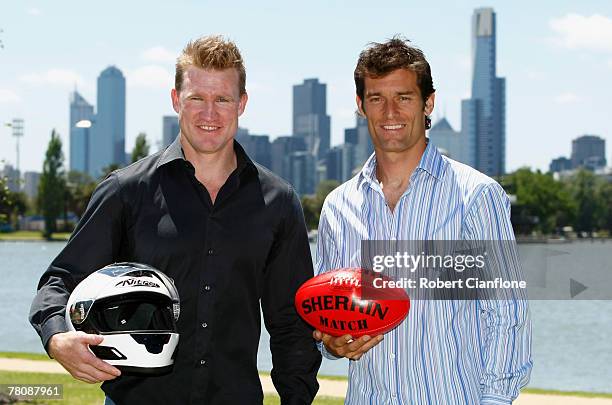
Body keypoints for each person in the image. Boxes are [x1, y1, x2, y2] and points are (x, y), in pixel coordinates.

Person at [29, 35, 321, 405]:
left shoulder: (278, 201)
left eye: (222, 99)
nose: (209, 113)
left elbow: (290, 324)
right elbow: (60, 281)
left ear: (242, 104)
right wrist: (57, 337)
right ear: (175, 100)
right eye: (197, 98)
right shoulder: (126, 191)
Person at [313, 37, 532, 404]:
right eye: (377, 98)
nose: (390, 113)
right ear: (360, 106)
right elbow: (329, 321)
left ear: (428, 102)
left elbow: (507, 315)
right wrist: (334, 342)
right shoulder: (338, 208)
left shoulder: (477, 197)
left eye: (404, 97)